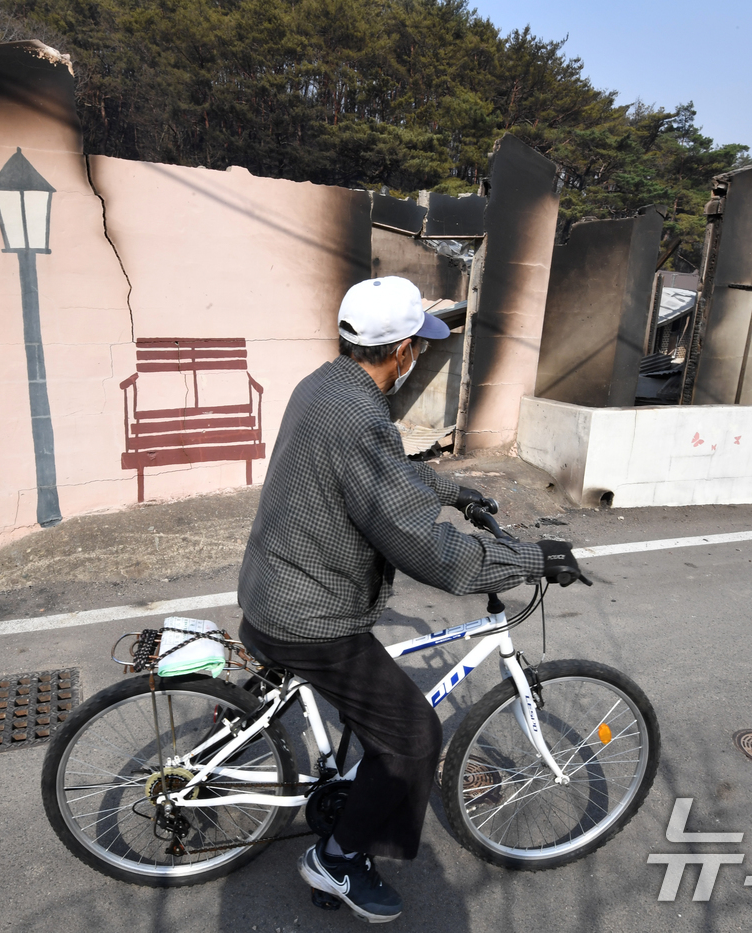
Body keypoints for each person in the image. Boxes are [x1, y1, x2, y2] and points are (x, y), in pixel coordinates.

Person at [237, 276, 581, 923]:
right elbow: (428, 551)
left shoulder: (325, 385)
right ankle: (336, 860)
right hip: (307, 614)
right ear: (399, 353)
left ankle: (344, 818)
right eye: (417, 347)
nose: (418, 356)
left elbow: (388, 480)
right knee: (415, 735)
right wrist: (533, 557)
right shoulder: (362, 417)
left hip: (275, 583)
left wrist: (455, 492)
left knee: (382, 717)